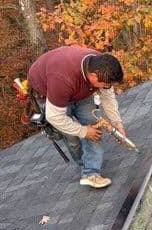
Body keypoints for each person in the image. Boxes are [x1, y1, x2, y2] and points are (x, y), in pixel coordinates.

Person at [28, 46, 127, 188]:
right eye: (105, 85)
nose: (107, 87)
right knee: (72, 137)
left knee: (94, 127)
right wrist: (84, 131)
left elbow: (108, 97)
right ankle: (84, 165)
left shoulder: (102, 64)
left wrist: (118, 124)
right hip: (50, 93)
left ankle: (91, 173)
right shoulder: (61, 79)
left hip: (78, 89)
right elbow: (54, 117)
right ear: (93, 76)